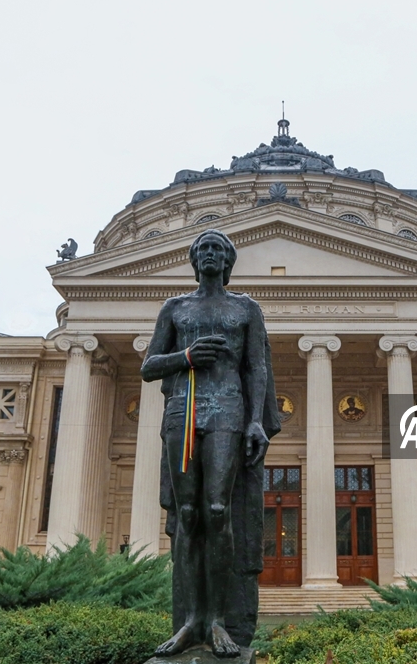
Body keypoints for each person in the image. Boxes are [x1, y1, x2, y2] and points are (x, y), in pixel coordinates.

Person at [141, 229, 273, 658]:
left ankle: (218, 620)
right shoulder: (175, 308)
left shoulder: (246, 308)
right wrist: (186, 357)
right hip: (184, 408)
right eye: (204, 249)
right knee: (188, 513)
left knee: (218, 510)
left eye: (218, 248)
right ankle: (188, 622)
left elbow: (257, 367)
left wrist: (256, 421)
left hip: (229, 410)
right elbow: (148, 366)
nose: (211, 253)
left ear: (229, 261)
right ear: (194, 260)